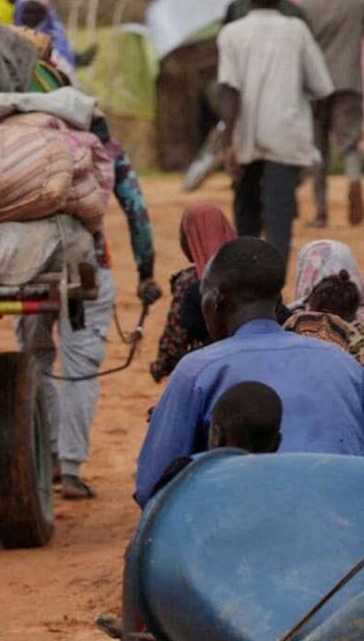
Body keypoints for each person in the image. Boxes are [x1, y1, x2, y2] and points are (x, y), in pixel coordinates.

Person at [133, 237, 364, 507]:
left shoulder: (198, 370)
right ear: (279, 300)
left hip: (246, 522)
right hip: (344, 522)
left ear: (217, 300)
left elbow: (153, 487)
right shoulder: (343, 362)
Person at [15, 114, 162, 499]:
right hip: (88, 268)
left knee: (34, 358)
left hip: (28, 269)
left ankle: (47, 455)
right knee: (80, 367)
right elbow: (137, 211)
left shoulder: (22, 143)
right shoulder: (107, 149)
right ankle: (71, 470)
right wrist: (146, 273)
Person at [217, 0, 336, 258]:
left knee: (246, 211)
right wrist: (315, 127)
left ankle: (247, 275)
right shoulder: (297, 31)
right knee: (279, 216)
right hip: (287, 136)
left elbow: (229, 89)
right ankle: (275, 281)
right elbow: (322, 89)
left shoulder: (231, 33)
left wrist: (228, 141)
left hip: (246, 137)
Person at [301, 0, 364, 227]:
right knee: (349, 143)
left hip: (317, 88)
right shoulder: (357, 0)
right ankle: (354, 178)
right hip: (348, 80)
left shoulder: (306, 5)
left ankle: (321, 212)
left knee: (319, 149)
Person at [144, 381, 284, 500]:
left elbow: (153, 503)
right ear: (277, 444)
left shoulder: (186, 480)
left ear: (217, 436)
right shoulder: (283, 487)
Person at [151, 203, 238, 382]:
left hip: (208, 372)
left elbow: (176, 338)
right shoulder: (252, 271)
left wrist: (159, 366)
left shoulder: (190, 282)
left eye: (184, 236)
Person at [15, 0, 76, 82]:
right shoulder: (12, 39)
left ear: (44, 14)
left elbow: (68, 75)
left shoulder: (57, 41)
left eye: (35, 12)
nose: (31, 16)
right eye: (27, 12)